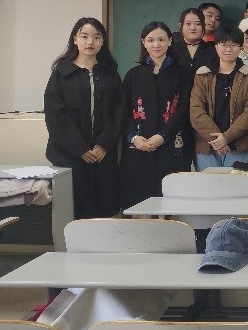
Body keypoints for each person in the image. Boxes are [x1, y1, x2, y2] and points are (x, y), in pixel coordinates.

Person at [44, 17, 126, 219]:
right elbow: (55, 115)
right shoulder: (62, 73)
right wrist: (80, 148)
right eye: (84, 36)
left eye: (96, 37)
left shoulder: (110, 74)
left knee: (104, 210)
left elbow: (119, 112)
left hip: (102, 154)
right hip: (69, 155)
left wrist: (104, 143)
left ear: (102, 41)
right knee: (73, 210)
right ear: (75, 39)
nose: (90, 42)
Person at [121, 21, 192, 208]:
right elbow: (123, 111)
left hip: (172, 148)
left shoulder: (184, 73)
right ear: (143, 42)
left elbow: (185, 108)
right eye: (150, 40)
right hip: (139, 148)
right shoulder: (133, 75)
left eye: (161, 39)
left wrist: (163, 135)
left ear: (170, 41)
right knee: (139, 205)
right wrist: (133, 137)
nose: (156, 44)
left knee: (172, 204)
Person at [189, 26, 248, 170]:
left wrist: (226, 138)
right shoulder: (203, 74)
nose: (228, 49)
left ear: (241, 48)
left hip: (239, 146)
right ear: (216, 47)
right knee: (209, 184)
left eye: (233, 45)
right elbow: (196, 111)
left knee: (237, 184)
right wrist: (217, 141)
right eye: (224, 44)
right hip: (207, 146)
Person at [171, 7, 216, 72]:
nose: (193, 28)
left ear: (203, 27)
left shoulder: (213, 49)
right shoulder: (172, 49)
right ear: (180, 26)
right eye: (188, 24)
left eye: (198, 24)